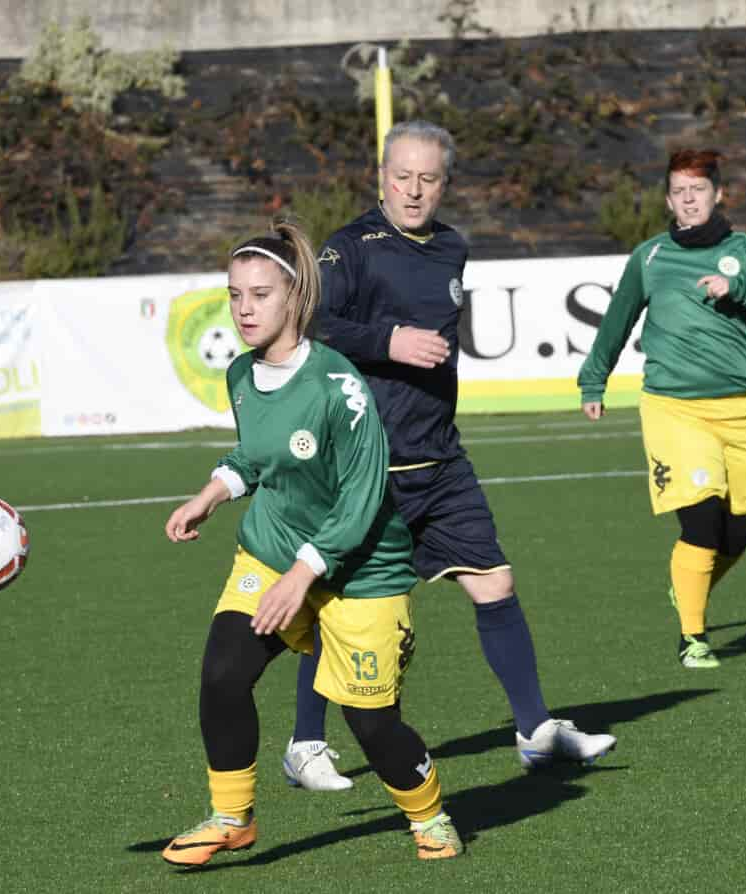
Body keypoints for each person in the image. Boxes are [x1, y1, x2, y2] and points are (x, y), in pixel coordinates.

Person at [280, 120, 616, 791]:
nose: (413, 190)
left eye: (428, 179)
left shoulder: (452, 247)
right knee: (338, 606)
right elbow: (312, 324)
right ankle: (305, 743)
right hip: (368, 466)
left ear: (445, 184)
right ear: (381, 175)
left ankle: (535, 734)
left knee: (495, 583)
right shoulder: (351, 248)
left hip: (440, 459)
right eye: (401, 176)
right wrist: (390, 339)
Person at [160, 219, 462, 866]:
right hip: (272, 547)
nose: (244, 308)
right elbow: (255, 456)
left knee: (371, 724)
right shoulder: (241, 374)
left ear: (295, 298)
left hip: (363, 570)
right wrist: (210, 495)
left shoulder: (339, 388)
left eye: (260, 294)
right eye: (235, 294)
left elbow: (362, 500)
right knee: (222, 672)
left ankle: (429, 814)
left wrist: (303, 576)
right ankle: (231, 817)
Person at [577, 148, 746, 668]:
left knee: (739, 530)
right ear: (668, 201)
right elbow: (618, 321)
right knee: (701, 521)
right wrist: (594, 380)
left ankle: (689, 585)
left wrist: (739, 287)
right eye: (679, 192)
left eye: (698, 190)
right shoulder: (650, 257)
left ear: (717, 194)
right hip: (675, 408)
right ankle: (693, 637)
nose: (688, 199)